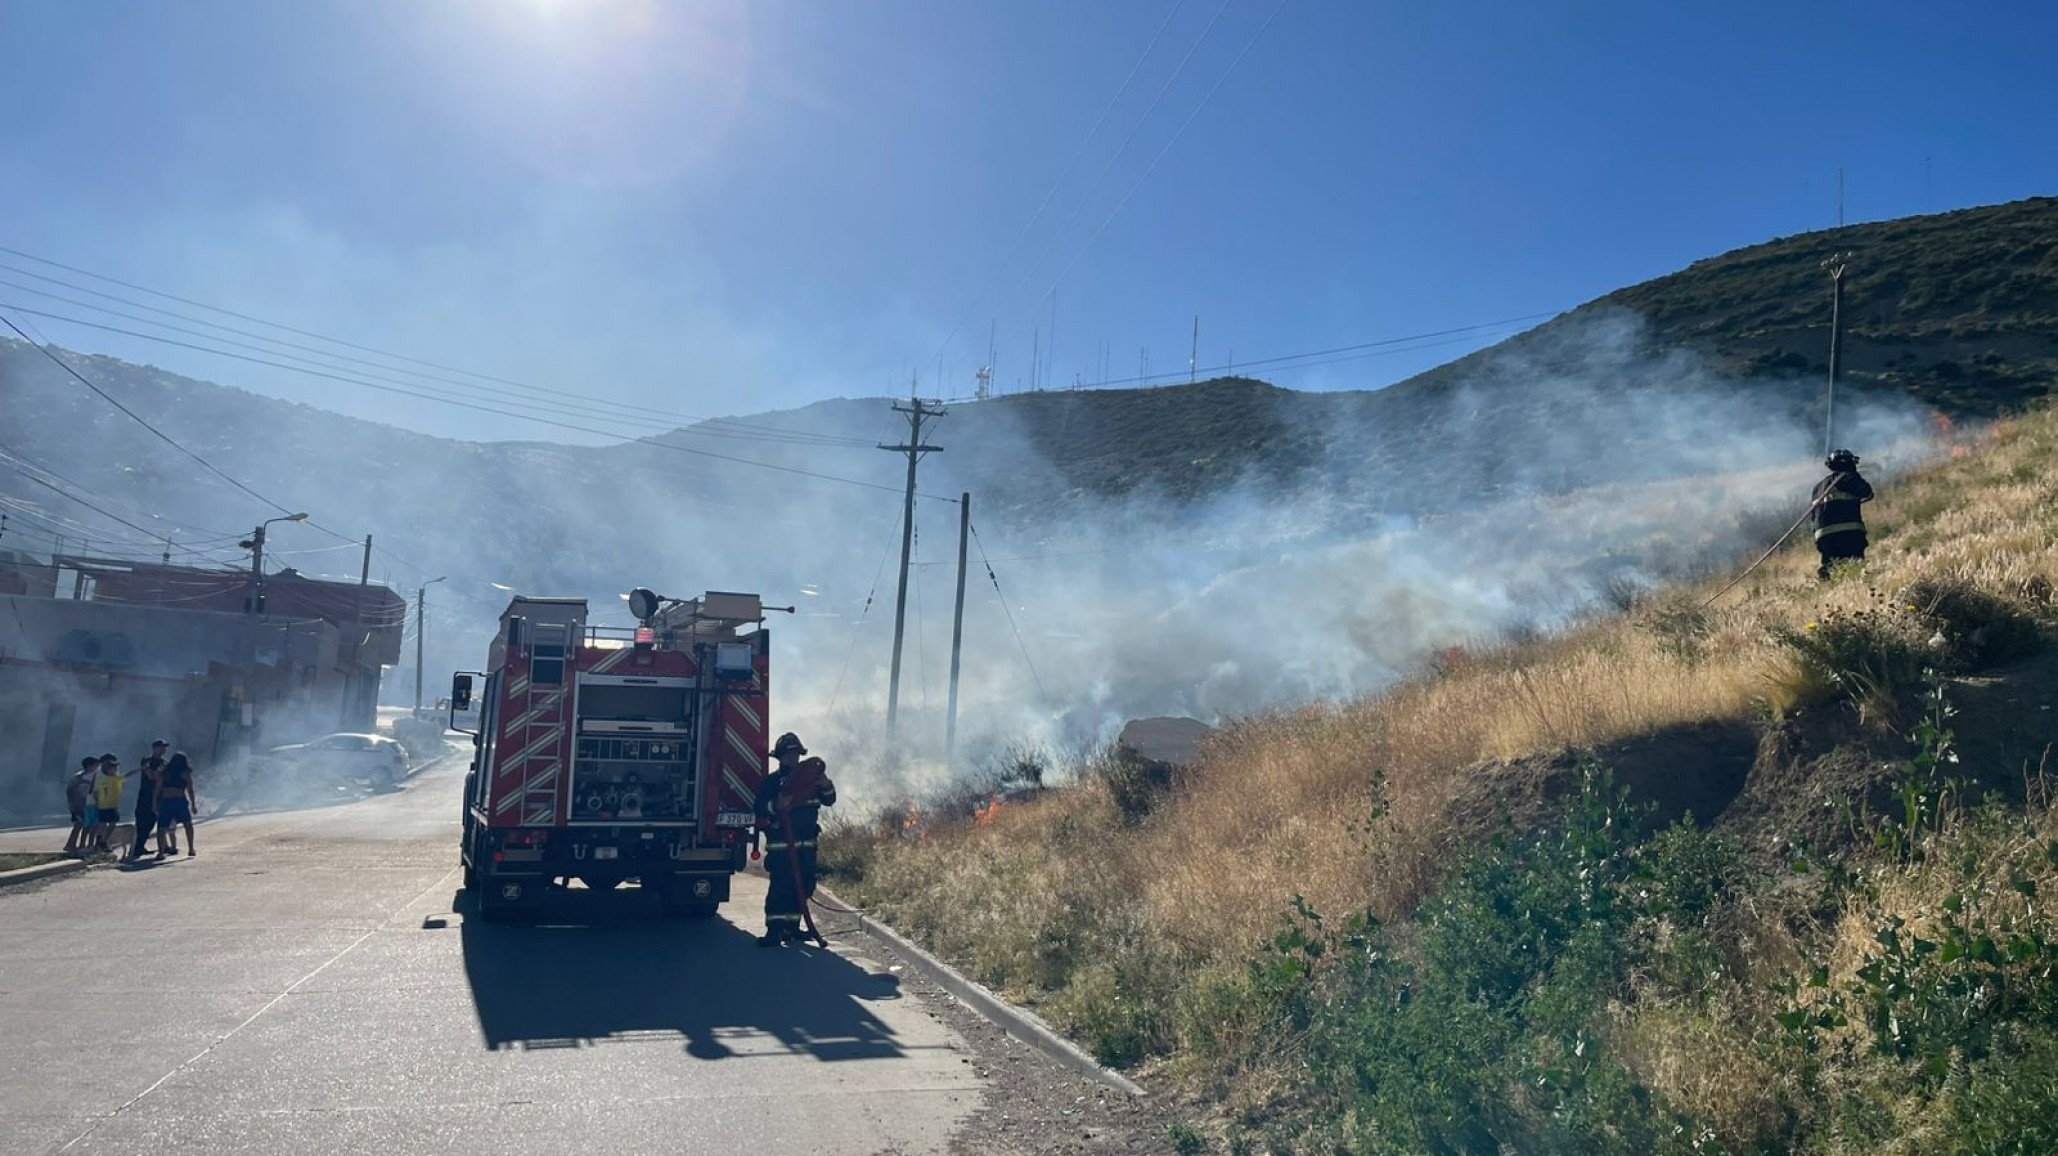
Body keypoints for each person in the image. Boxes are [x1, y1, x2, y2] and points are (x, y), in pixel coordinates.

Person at [753, 733, 836, 946]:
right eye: (789, 754)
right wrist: (776, 805)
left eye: (796, 754)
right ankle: (774, 931)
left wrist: (826, 785)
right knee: (781, 888)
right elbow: (760, 807)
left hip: (807, 845)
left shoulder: (812, 779)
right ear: (780, 756)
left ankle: (792, 927)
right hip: (782, 846)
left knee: (805, 885)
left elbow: (829, 800)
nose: (793, 758)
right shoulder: (773, 782)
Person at [1812, 449, 1876, 580]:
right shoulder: (1849, 478)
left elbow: (1813, 516)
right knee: (1855, 563)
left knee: (1832, 563)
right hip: (1848, 531)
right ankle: (1856, 583)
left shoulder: (1818, 488)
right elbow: (1867, 492)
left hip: (1823, 536)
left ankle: (1828, 580)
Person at [129, 740, 167, 862]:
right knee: (141, 821)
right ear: (154, 748)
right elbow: (151, 776)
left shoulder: (164, 762)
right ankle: (137, 847)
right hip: (145, 795)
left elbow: (158, 776)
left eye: (164, 747)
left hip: (158, 796)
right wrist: (156, 774)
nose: (163, 750)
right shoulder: (147, 760)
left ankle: (140, 845)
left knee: (151, 821)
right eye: (161, 747)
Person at [156, 751, 198, 859]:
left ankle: (161, 852)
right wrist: (193, 805)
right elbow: (190, 790)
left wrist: (154, 803)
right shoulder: (185, 773)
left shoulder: (165, 772)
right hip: (179, 801)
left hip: (166, 801)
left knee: (162, 827)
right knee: (188, 825)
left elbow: (158, 788)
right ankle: (191, 849)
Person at [92, 753, 129, 853]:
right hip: (102, 803)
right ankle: (101, 843)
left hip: (110, 802)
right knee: (103, 824)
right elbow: (95, 790)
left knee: (104, 824)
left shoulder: (112, 773)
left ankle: (102, 843)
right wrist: (97, 803)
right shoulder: (100, 774)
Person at [64, 757, 94, 854]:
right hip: (77, 805)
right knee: (78, 825)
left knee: (84, 825)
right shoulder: (78, 777)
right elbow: (70, 791)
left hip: (86, 804)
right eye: (95, 765)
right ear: (89, 766)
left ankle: (74, 845)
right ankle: (70, 845)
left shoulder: (91, 777)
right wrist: (72, 805)